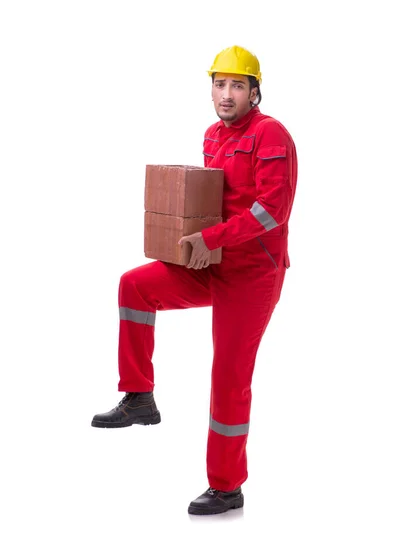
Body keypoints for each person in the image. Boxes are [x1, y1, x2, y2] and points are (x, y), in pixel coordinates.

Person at [92, 45, 298, 516]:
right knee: (134, 286)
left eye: (237, 86)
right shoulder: (212, 135)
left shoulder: (271, 135)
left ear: (254, 91)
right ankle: (139, 396)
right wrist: (187, 239)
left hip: (253, 274)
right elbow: (209, 197)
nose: (226, 94)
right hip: (213, 261)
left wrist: (211, 237)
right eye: (219, 84)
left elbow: (272, 212)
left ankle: (227, 488)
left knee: (228, 376)